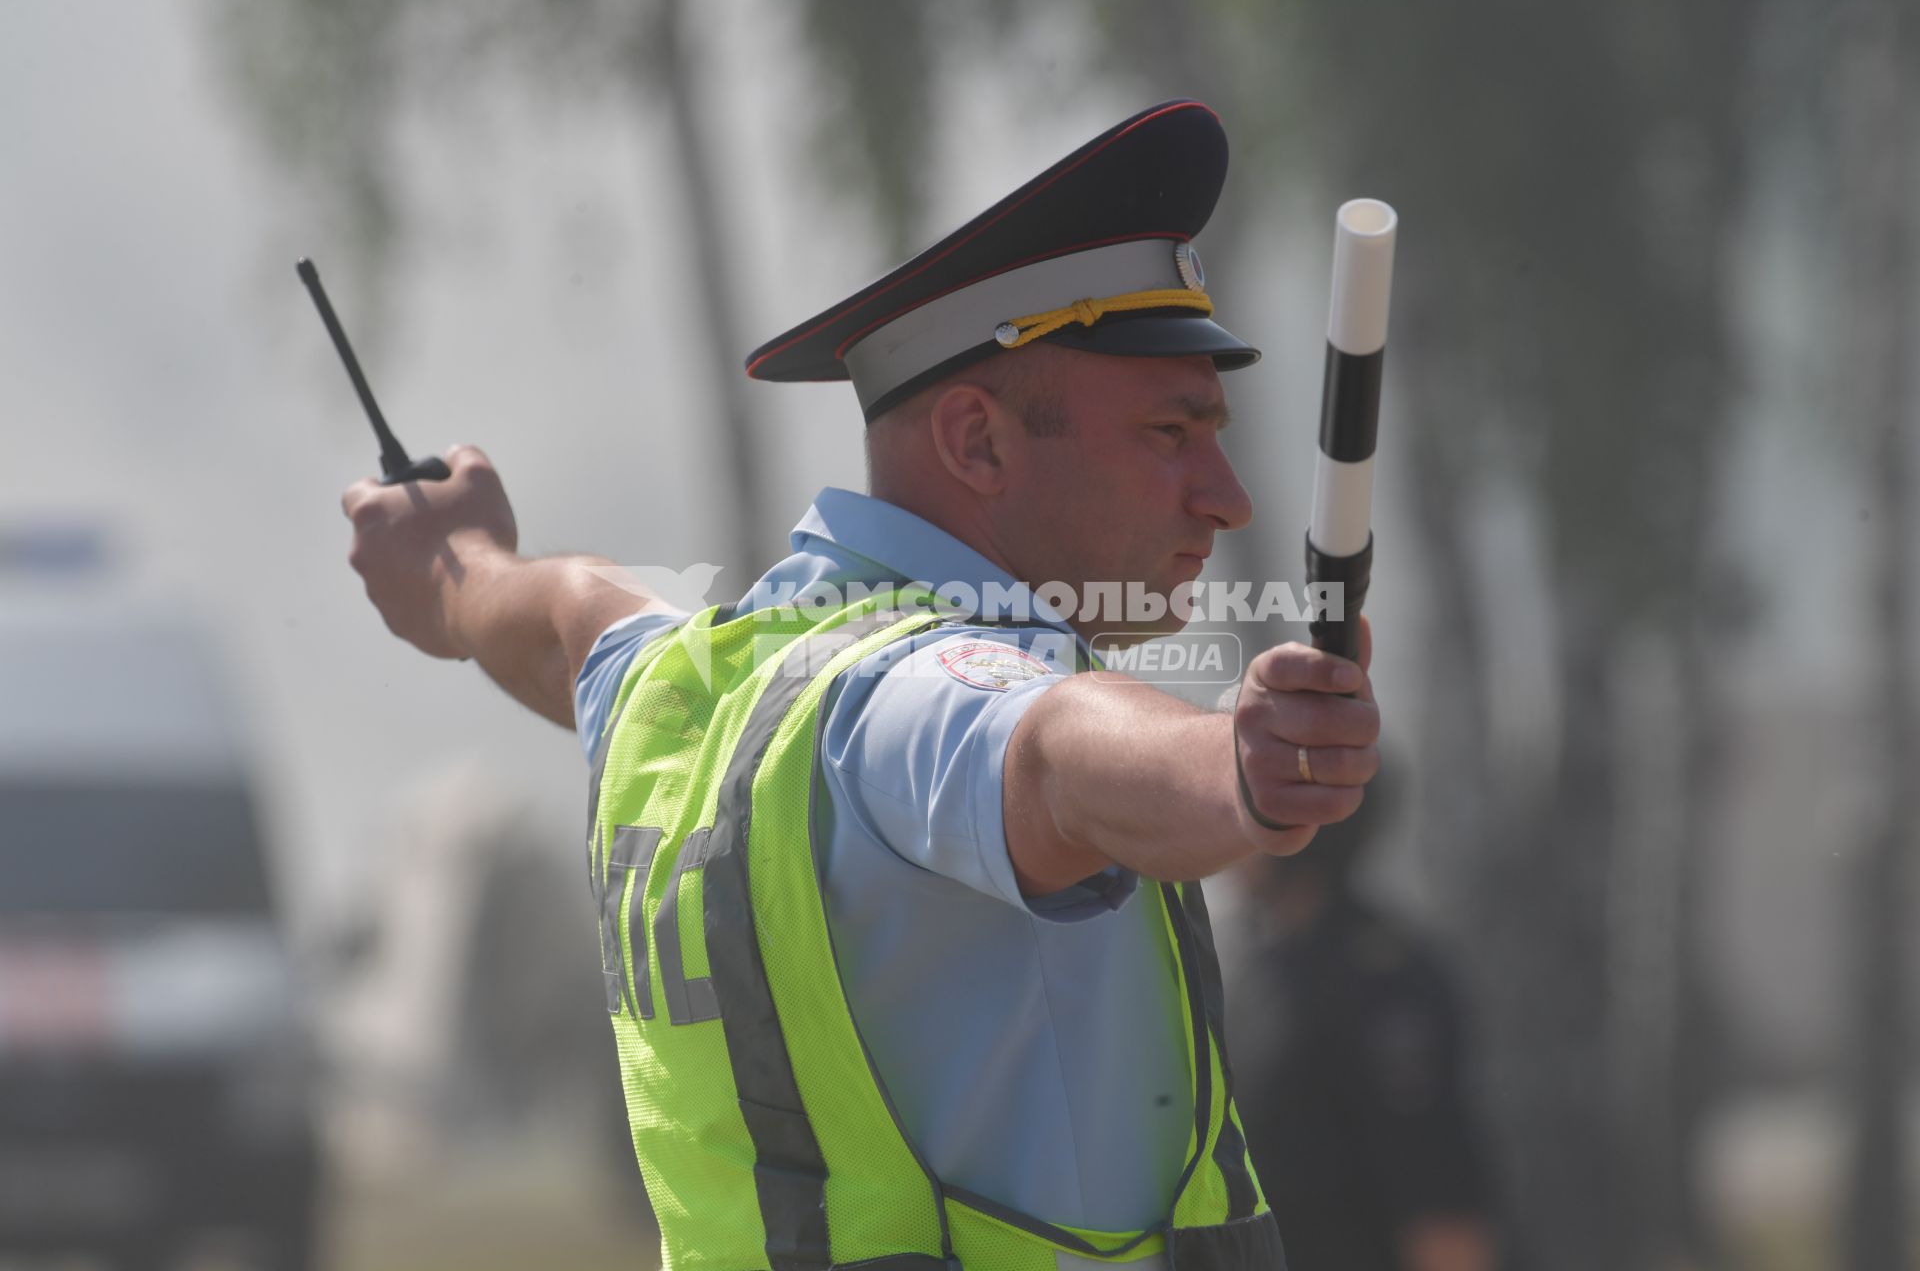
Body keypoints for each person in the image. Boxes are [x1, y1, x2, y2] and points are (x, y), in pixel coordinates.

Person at [340, 100, 1381, 1268]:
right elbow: (1049, 749)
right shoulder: (927, 690)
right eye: (1171, 430)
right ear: (978, 443)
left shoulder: (689, 683)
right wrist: (1233, 765)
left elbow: (555, 620)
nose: (1226, 493)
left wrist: (454, 564)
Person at [1225, 772, 1499, 1271]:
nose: (1229, 824)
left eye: (1248, 804)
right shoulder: (1254, 967)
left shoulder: (1383, 982)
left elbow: (1441, 1211)